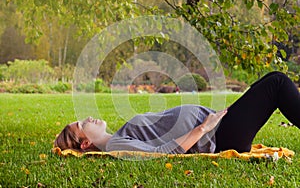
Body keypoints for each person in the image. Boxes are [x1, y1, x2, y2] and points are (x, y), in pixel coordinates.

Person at [54, 71, 300, 154]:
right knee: (276, 84)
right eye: (82, 123)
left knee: (269, 81)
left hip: (217, 127)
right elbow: (162, 153)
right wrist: (204, 127)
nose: (89, 118)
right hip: (219, 136)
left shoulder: (118, 137)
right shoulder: (117, 144)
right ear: (85, 143)